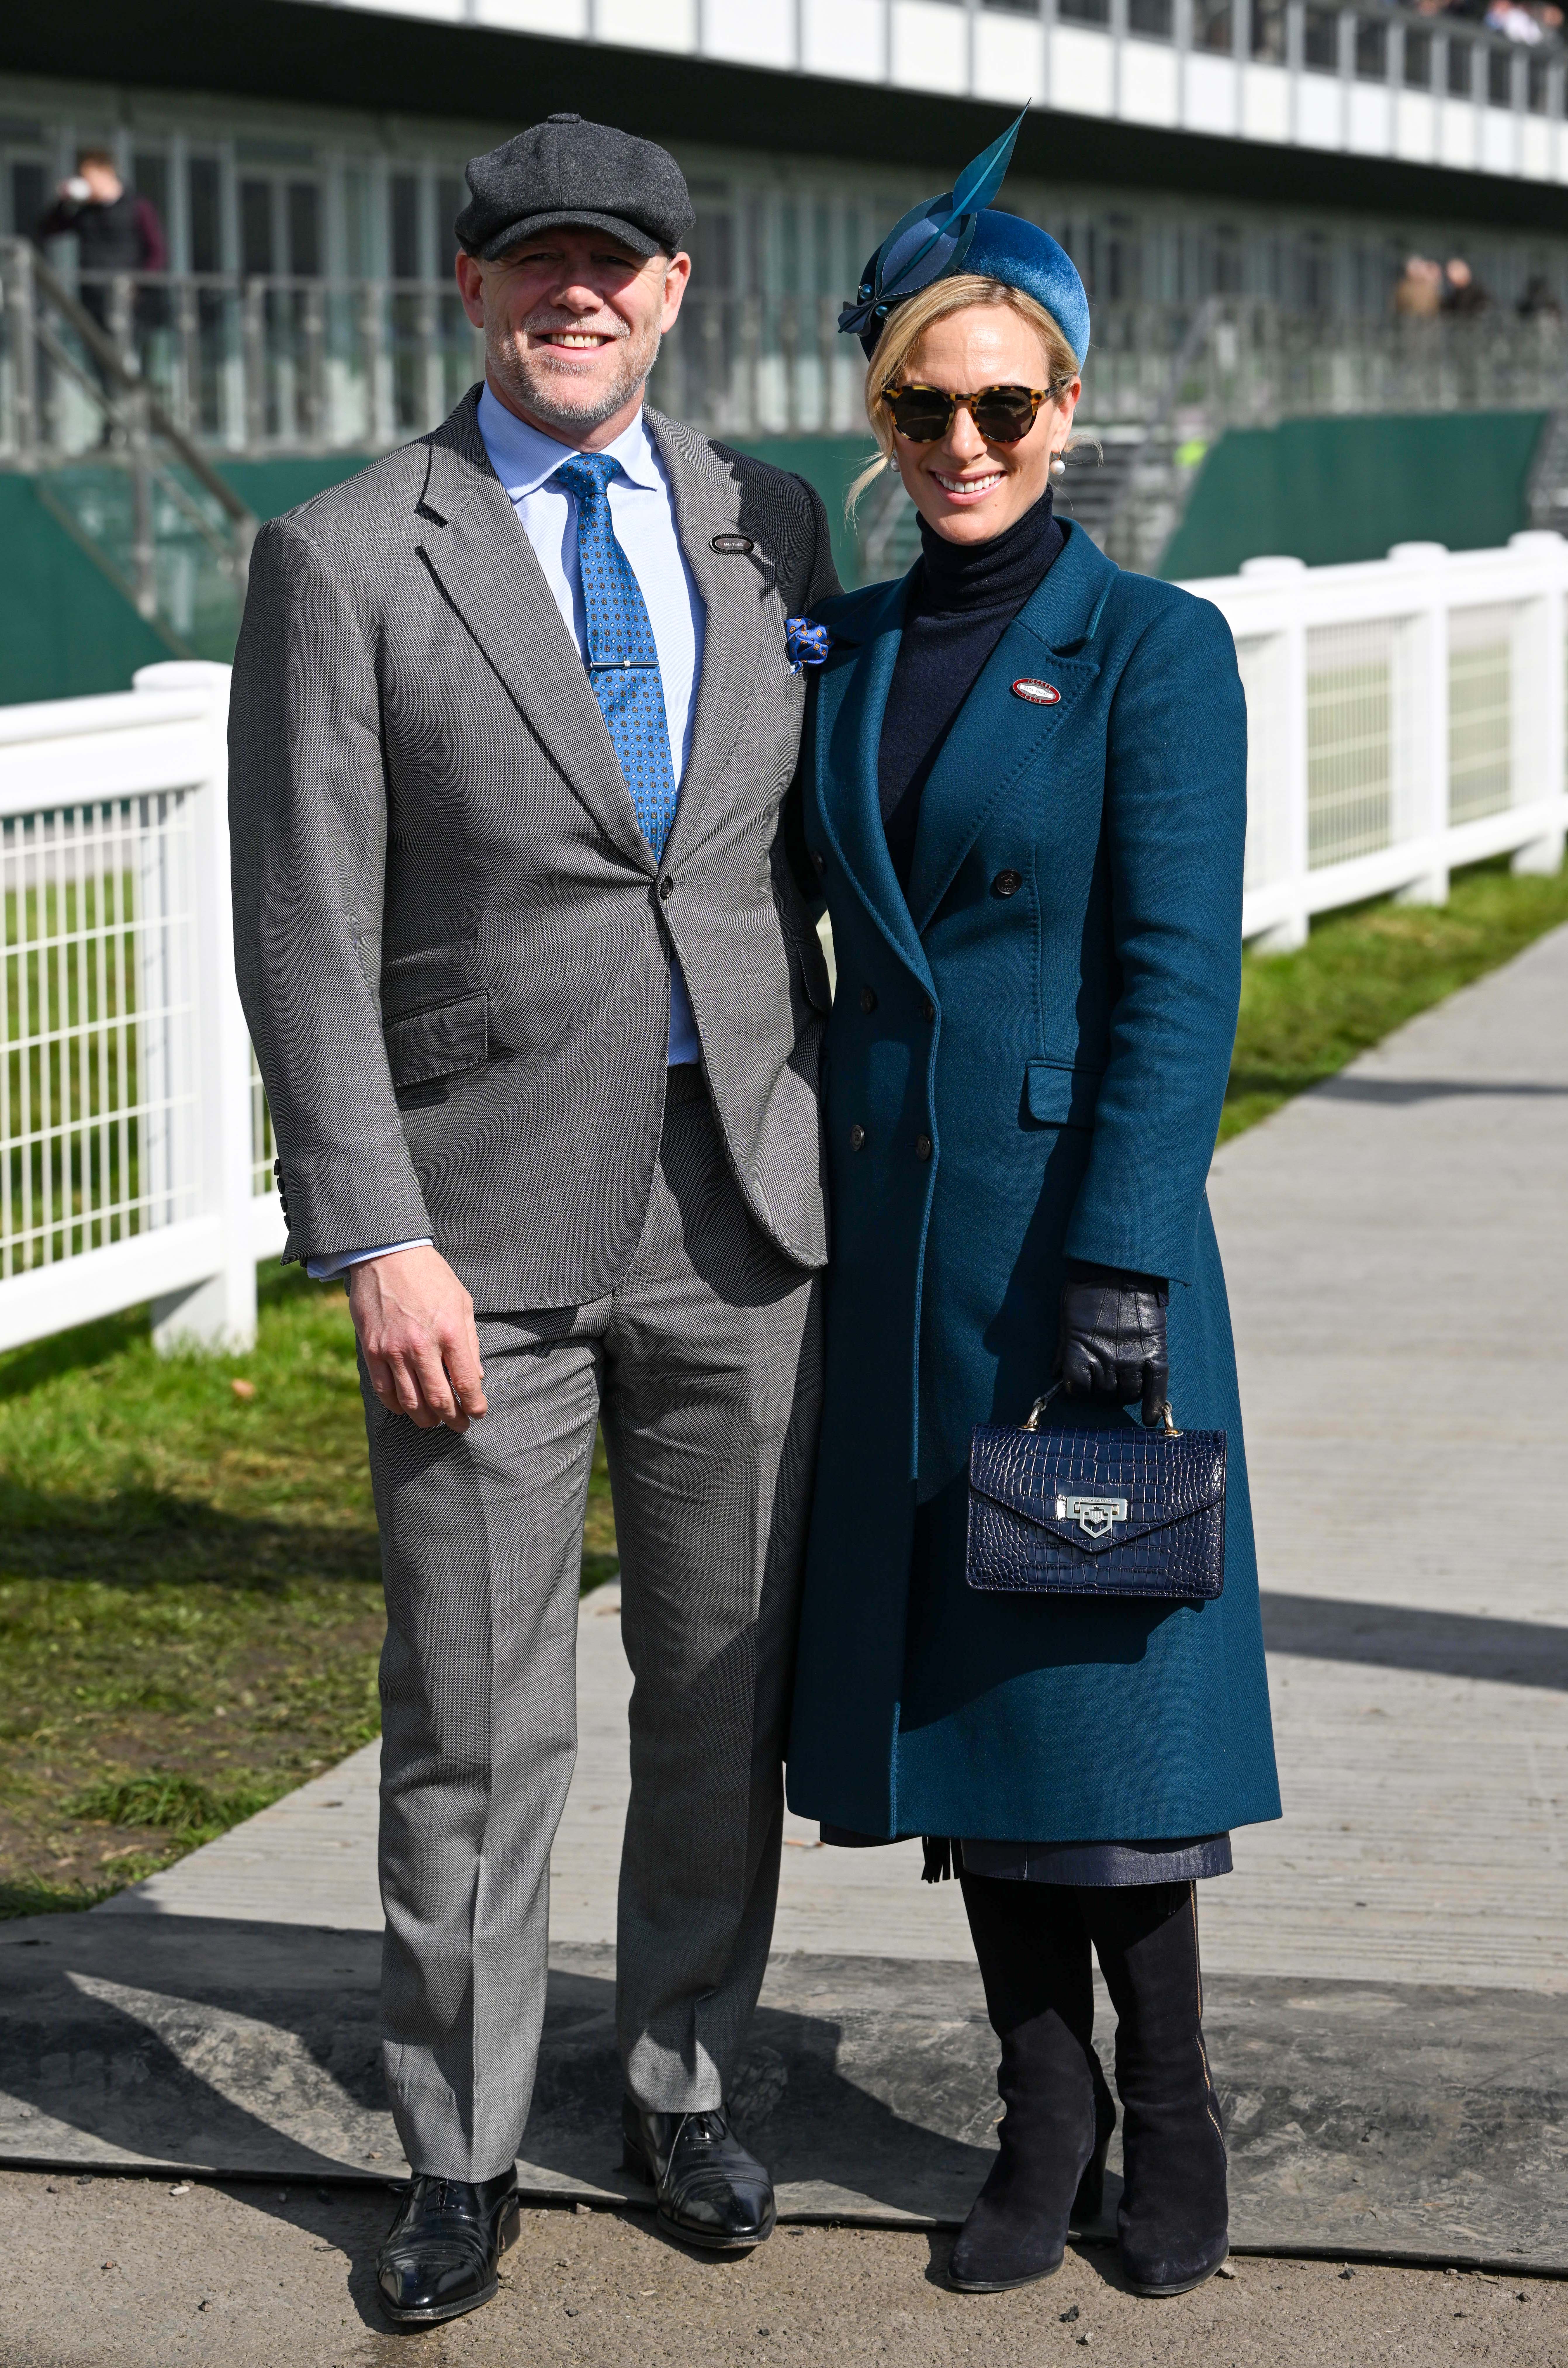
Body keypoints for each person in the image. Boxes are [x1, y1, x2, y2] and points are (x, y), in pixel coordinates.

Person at [229, 112, 838, 2329]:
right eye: (535, 267)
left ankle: (683, 2081)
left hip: (742, 1205)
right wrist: (367, 1226)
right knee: (474, 1713)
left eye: (619, 267)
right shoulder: (345, 551)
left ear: (675, 293)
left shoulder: (761, 518)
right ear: (471, 291)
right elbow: (304, 928)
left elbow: (772, 863)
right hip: (471, 1236)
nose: (578, 297)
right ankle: (459, 2149)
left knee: (715, 1686)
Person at [784, 114, 1280, 2304]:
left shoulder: (1151, 645)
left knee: (1103, 1698)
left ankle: (1165, 2106)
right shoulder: (852, 650)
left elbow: (1180, 978)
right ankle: (1037, 2103)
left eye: (1004, 401)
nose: (964, 437)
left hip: (1086, 1251)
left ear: (1065, 407)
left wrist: (1117, 1257)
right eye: (924, 405)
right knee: (974, 1705)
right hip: (897, 1256)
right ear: (879, 419)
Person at [35, 148, 166, 346]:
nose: (87, 183)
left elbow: (158, 252)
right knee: (99, 361)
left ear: (106, 173)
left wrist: (139, 285)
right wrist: (64, 202)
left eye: (89, 177)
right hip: (93, 300)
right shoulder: (85, 212)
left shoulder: (138, 207)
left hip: (133, 303)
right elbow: (47, 230)